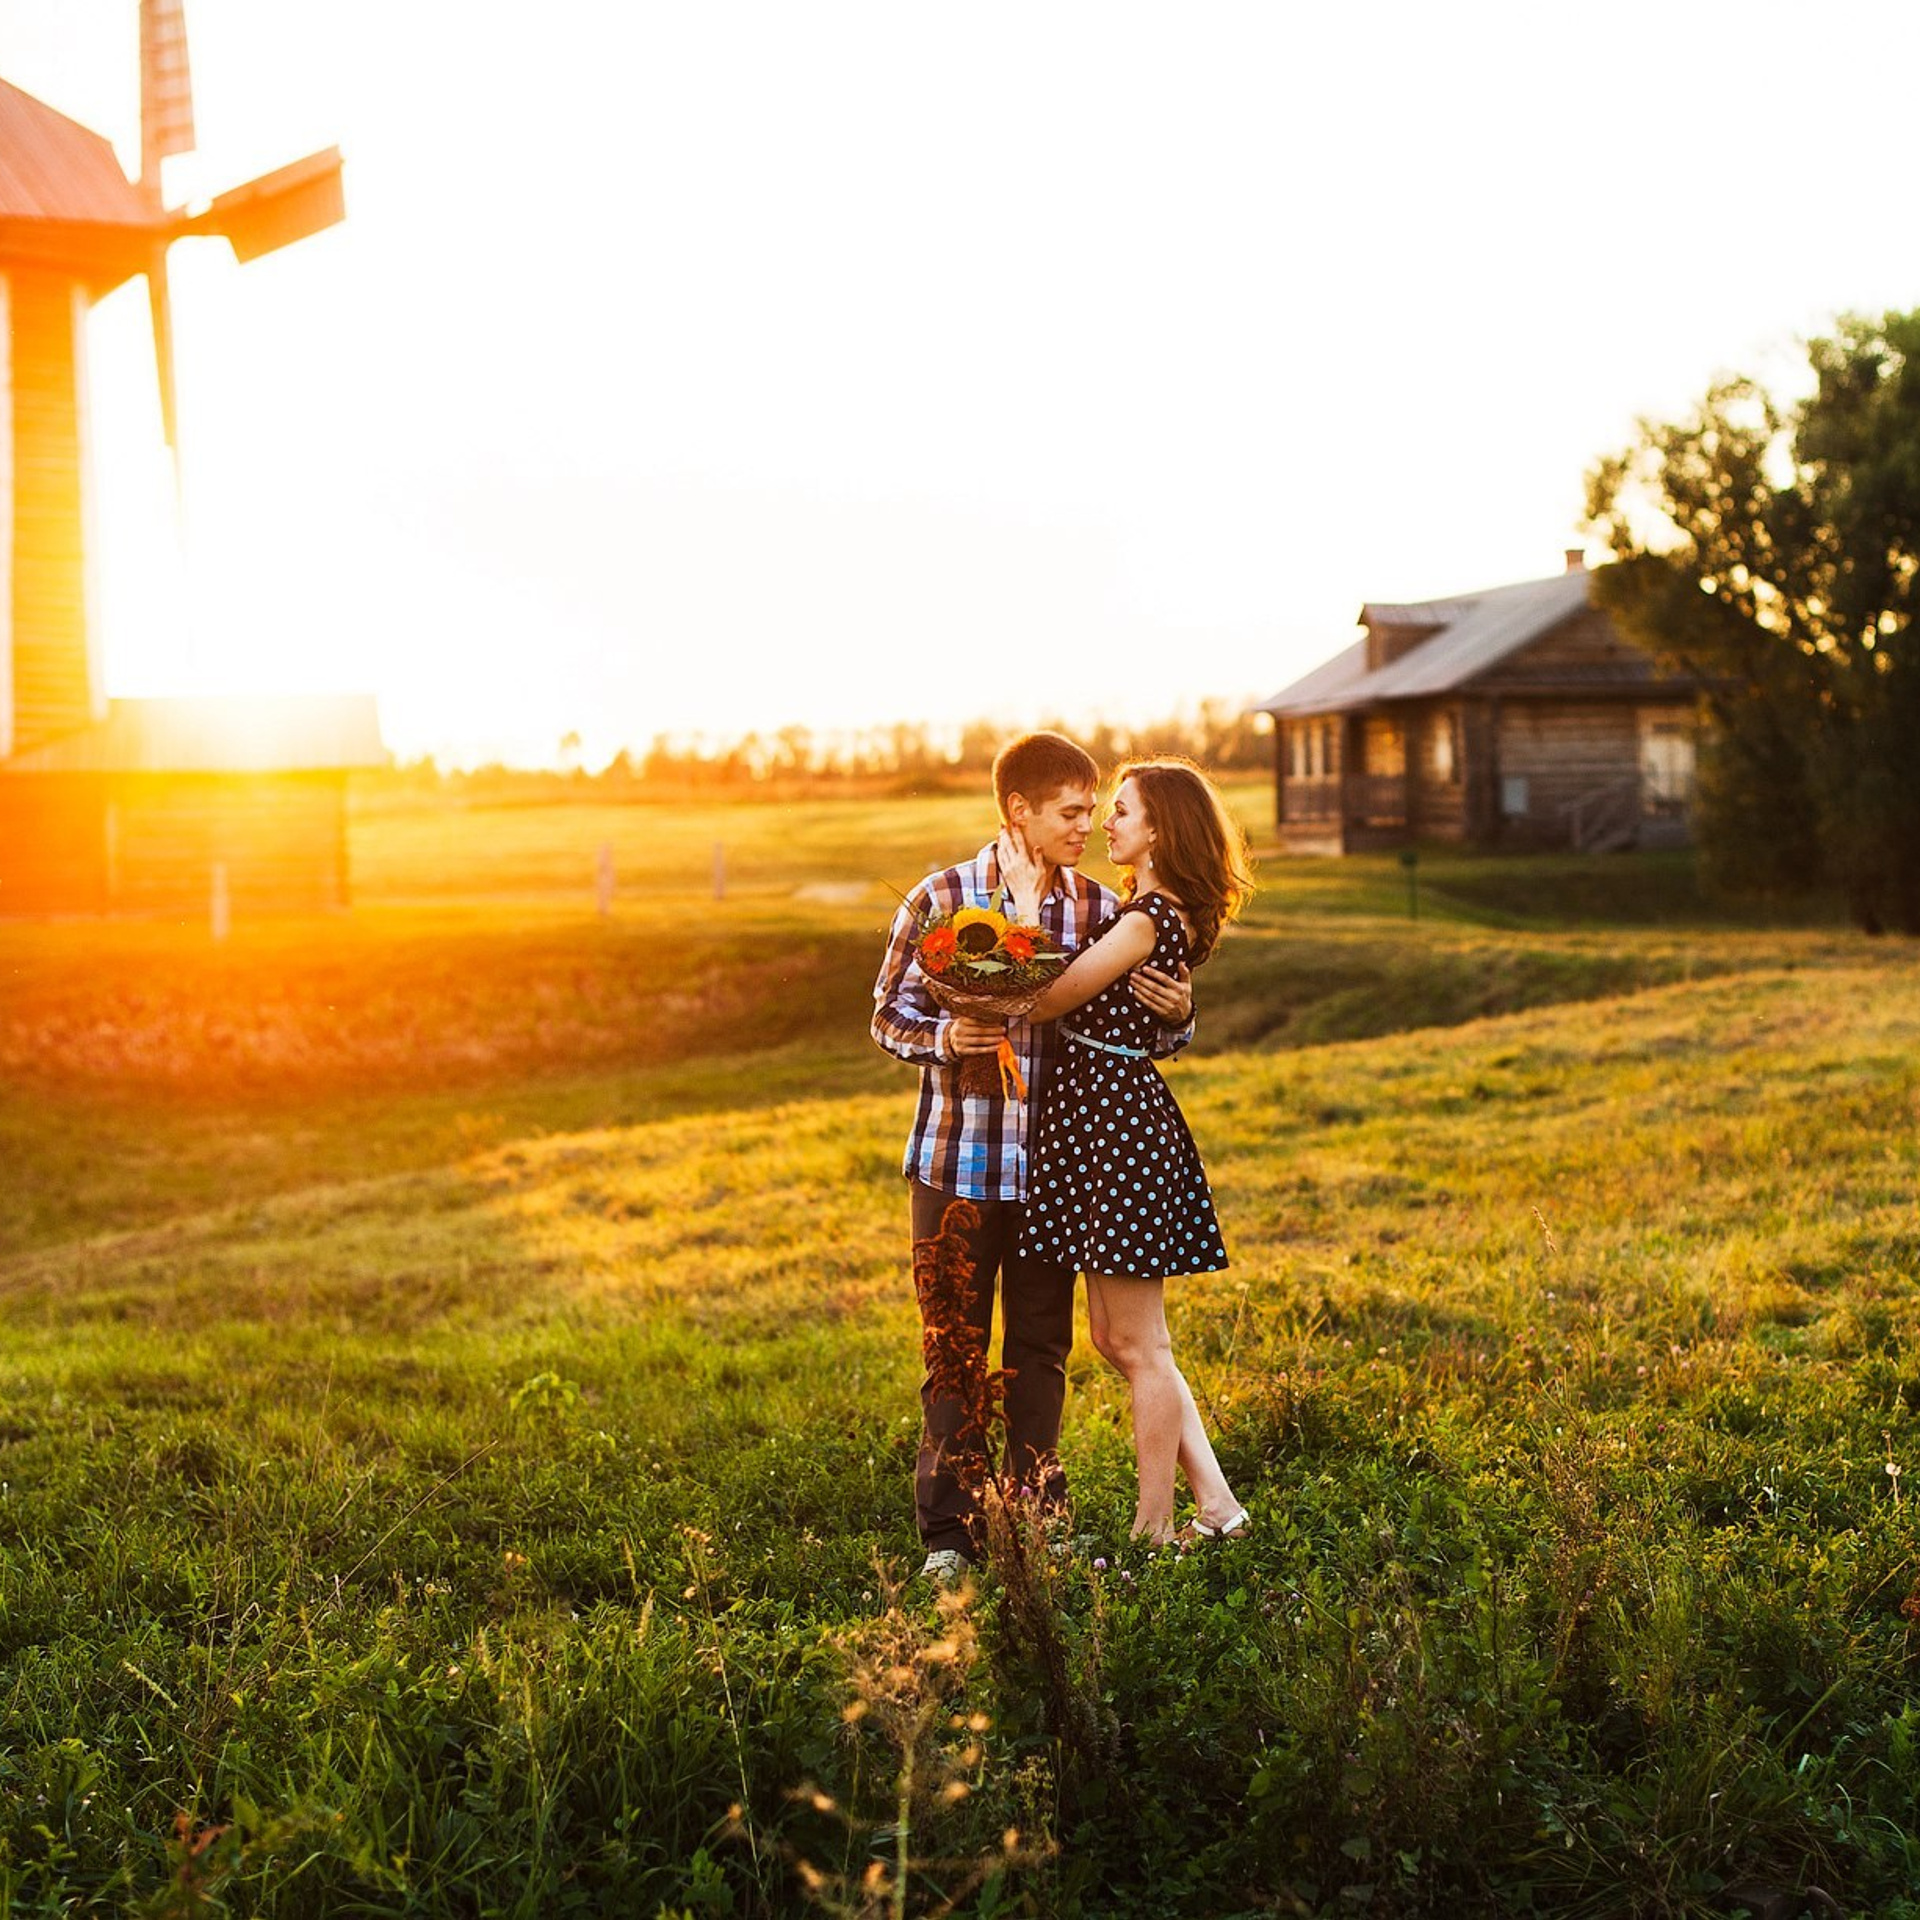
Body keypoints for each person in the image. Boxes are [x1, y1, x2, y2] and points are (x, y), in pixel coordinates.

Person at [872, 732, 1194, 1582]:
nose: (1086, 825)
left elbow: (1150, 1028)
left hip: (1053, 1174)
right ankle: (949, 1537)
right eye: (1071, 810)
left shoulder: (1098, 909)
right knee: (955, 1349)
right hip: (955, 1168)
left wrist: (1178, 1011)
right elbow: (886, 1016)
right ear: (1020, 810)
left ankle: (1036, 1520)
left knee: (1041, 1351)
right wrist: (949, 1033)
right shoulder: (940, 897)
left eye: (1095, 810)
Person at [1001, 756, 1252, 1548]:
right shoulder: (1138, 910)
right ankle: (1218, 1506)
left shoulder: (1147, 919)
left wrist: (1025, 903)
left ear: (1160, 830)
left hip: (1119, 1131)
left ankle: (1155, 1528)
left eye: (1123, 811)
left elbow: (1043, 999)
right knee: (1117, 1340)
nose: (1107, 823)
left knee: (1140, 1345)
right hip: (1100, 1126)